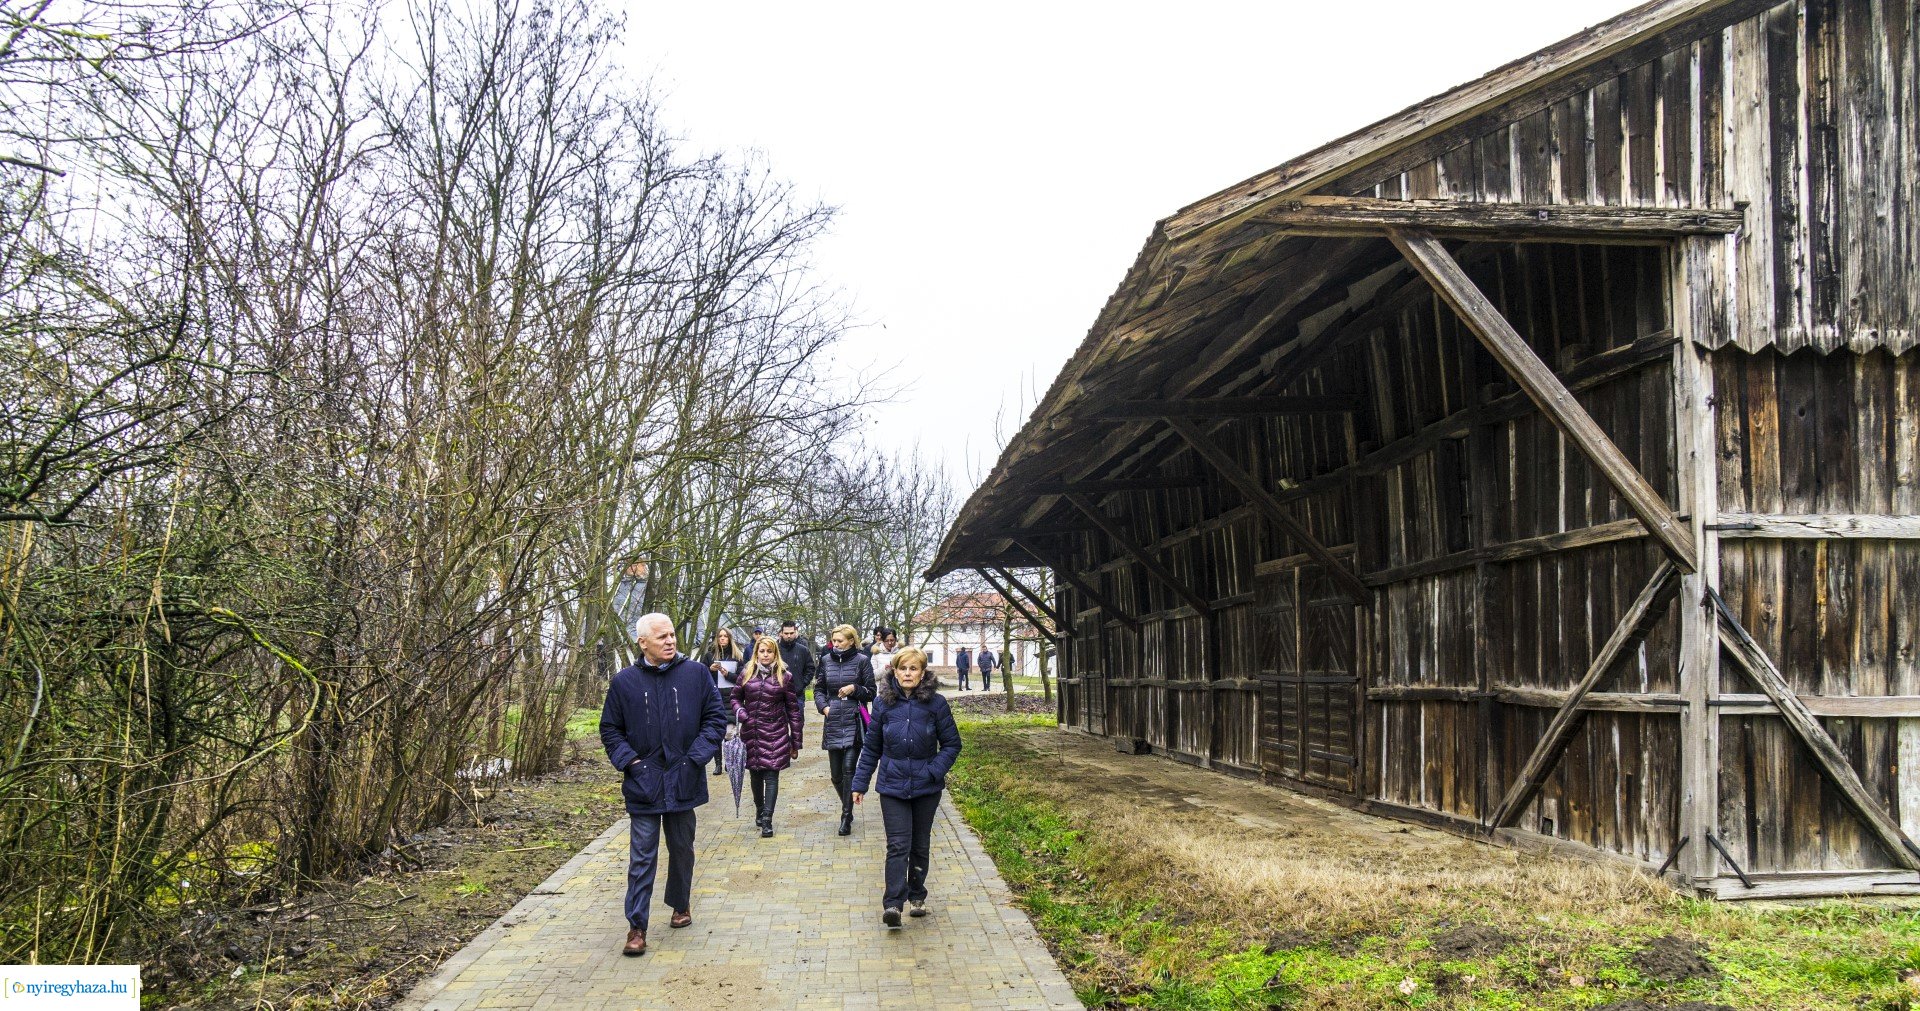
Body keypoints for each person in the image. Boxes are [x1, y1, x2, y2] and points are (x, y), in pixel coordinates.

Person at [600, 613, 728, 957]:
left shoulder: (696, 675)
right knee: (642, 857)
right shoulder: (624, 682)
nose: (670, 641)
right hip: (644, 783)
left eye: (672, 635)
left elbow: (715, 719)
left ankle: (680, 904)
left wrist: (694, 758)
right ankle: (637, 926)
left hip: (684, 778)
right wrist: (633, 763)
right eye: (662, 637)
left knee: (682, 849)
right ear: (643, 643)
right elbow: (610, 730)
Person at [852, 646, 961, 928]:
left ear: (922, 672)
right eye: (903, 668)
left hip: (926, 786)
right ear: (895, 671)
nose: (908, 673)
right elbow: (872, 747)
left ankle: (917, 894)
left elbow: (951, 744)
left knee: (919, 843)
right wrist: (860, 783)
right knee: (898, 844)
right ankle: (893, 905)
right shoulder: (884, 704)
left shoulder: (936, 704)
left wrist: (933, 771)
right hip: (892, 785)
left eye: (914, 669)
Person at [732, 634, 803, 838]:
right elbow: (735, 697)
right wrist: (741, 713)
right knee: (755, 775)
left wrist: (795, 741)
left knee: (772, 776)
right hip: (751, 732)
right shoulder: (747, 672)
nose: (765, 654)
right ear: (756, 653)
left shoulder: (784, 676)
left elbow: (793, 710)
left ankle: (767, 819)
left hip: (775, 733)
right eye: (761, 651)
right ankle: (759, 809)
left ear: (775, 653)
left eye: (769, 651)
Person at [814, 623, 876, 836]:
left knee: (849, 770)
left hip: (853, 720)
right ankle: (847, 806)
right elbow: (819, 689)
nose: (836, 644)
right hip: (833, 721)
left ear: (851, 641)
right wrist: (824, 707)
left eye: (840, 640)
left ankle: (845, 816)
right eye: (834, 640)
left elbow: (871, 693)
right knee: (836, 776)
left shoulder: (862, 661)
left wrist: (854, 688)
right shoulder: (825, 661)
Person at [699, 628, 746, 775]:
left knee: (729, 733)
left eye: (725, 636)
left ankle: (728, 761)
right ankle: (718, 764)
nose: (722, 639)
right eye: (720, 636)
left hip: (731, 697)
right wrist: (710, 670)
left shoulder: (737, 656)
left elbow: (742, 678)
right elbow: (700, 676)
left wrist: (728, 674)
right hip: (715, 697)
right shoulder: (709, 656)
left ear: (730, 638)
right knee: (716, 733)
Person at [777, 620, 815, 707]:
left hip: (797, 695)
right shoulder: (775, 650)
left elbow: (810, 669)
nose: (789, 636)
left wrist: (801, 684)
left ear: (795, 633)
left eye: (791, 633)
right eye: (786, 633)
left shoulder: (803, 650)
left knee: (798, 720)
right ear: (781, 633)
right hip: (777, 695)